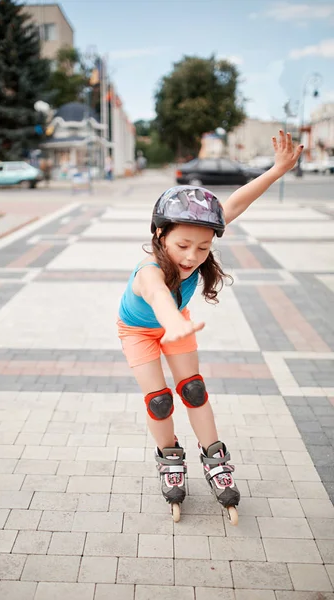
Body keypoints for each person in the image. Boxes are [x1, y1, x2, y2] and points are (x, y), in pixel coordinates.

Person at [117, 131, 303, 523]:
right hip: (141, 332)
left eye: (203, 249)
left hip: (177, 326)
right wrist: (172, 323)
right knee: (159, 400)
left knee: (194, 390)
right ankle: (170, 460)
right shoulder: (149, 270)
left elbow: (235, 202)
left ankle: (215, 459)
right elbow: (159, 297)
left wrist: (278, 169)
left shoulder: (196, 242)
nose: (192, 256)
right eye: (183, 245)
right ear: (160, 234)